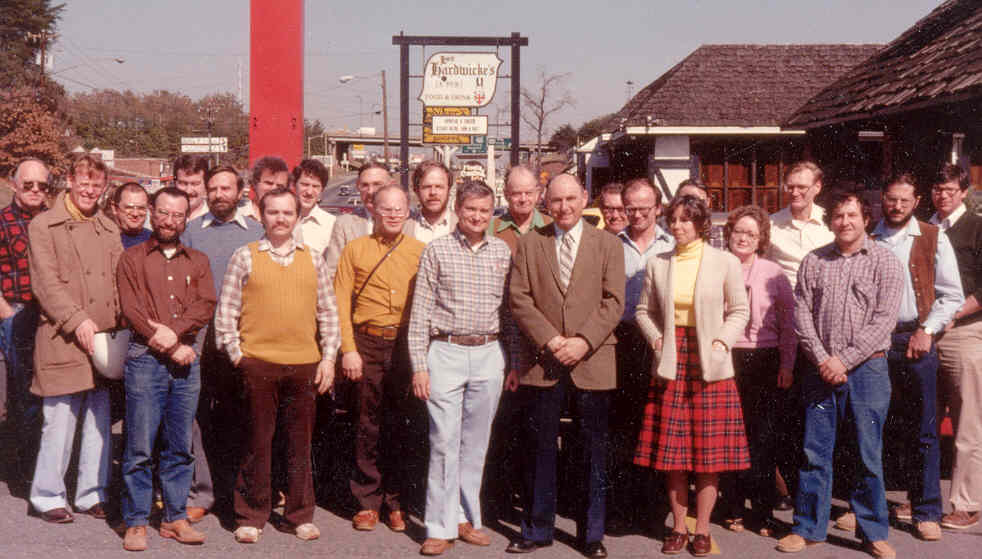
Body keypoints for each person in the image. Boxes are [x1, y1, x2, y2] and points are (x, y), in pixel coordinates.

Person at [777, 191, 904, 559]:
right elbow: (802, 314)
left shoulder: (885, 262)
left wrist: (843, 360)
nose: (845, 221)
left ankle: (873, 532)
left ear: (865, 218)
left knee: (868, 453)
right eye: (838, 215)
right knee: (814, 452)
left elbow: (884, 321)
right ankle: (808, 528)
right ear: (830, 221)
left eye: (852, 215)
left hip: (868, 370)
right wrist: (822, 359)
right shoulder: (814, 261)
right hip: (820, 370)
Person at [507, 173, 625, 558]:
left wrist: (583, 341)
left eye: (571, 199)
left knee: (592, 451)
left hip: (592, 360)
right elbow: (520, 298)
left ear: (584, 197)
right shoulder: (529, 244)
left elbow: (613, 302)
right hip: (544, 361)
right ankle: (537, 528)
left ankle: (591, 535)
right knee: (539, 449)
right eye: (556, 200)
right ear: (546, 202)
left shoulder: (607, 244)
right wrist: (553, 340)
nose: (564, 207)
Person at [215, 187, 340, 544]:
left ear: (297, 217)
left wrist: (329, 357)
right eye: (273, 213)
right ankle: (251, 515)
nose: (280, 219)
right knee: (258, 442)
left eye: (288, 213)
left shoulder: (313, 258)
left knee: (300, 444)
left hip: (303, 364)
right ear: (261, 215)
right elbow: (226, 313)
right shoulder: (246, 256)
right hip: (258, 364)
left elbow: (328, 313)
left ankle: (299, 514)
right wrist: (238, 355)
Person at [634, 194, 750, 557]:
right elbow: (643, 311)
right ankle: (678, 528)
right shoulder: (658, 263)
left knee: (708, 453)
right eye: (674, 219)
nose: (678, 226)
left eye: (686, 220)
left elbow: (739, 310)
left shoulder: (724, 262)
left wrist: (721, 341)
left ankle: (702, 530)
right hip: (672, 359)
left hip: (710, 362)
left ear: (701, 224)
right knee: (674, 453)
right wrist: (655, 340)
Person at [407, 180, 519, 556]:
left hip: (488, 353)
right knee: (443, 442)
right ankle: (438, 525)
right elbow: (420, 311)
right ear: (458, 209)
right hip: (446, 352)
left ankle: (466, 518)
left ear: (493, 212)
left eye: (484, 211)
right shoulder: (436, 250)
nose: (477, 216)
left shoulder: (502, 252)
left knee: (475, 445)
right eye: (471, 209)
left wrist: (513, 361)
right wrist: (419, 366)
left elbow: (510, 313)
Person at [117, 187, 217, 551]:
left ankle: (175, 517)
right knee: (140, 445)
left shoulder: (199, 260)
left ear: (185, 218)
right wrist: (172, 343)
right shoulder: (131, 259)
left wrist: (175, 338)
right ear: (151, 215)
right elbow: (132, 309)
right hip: (145, 359)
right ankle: (137, 521)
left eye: (177, 215)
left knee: (181, 444)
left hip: (186, 362)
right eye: (163, 213)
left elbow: (204, 305)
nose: (170, 221)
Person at [27, 154, 123, 523]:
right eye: (83, 182)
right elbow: (45, 283)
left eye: (97, 185)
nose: (89, 190)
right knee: (60, 420)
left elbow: (117, 282)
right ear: (69, 180)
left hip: (103, 341)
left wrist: (118, 328)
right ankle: (47, 495)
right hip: (62, 336)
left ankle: (91, 493)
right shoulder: (44, 225)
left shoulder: (108, 228)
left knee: (99, 421)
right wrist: (76, 319)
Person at [870, 173, 962, 541]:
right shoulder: (868, 236)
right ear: (882, 198)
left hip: (916, 338)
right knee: (872, 426)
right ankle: (871, 506)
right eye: (891, 199)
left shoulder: (932, 236)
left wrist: (927, 330)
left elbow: (952, 294)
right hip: (874, 341)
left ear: (917, 201)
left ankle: (926, 510)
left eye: (904, 201)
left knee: (923, 427)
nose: (897, 207)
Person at [334, 186, 425, 533]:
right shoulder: (355, 250)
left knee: (403, 423)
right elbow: (341, 301)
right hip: (366, 343)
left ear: (408, 211)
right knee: (366, 423)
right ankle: (367, 502)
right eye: (386, 208)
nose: (393, 214)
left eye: (400, 208)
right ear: (372, 209)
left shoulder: (420, 251)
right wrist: (349, 349)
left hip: (404, 344)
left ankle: (397, 501)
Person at [180, 165, 264, 522]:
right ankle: (202, 491)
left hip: (242, 342)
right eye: (212, 188)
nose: (218, 195)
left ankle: (237, 492)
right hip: (199, 340)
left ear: (241, 191)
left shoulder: (258, 233)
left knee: (241, 418)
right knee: (196, 418)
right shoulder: (191, 232)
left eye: (225, 188)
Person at [717, 205, 795, 537]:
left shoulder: (774, 273)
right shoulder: (717, 267)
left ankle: (762, 512)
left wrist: (787, 365)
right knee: (728, 437)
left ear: (761, 238)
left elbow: (790, 325)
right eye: (739, 232)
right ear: (729, 234)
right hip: (726, 357)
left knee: (762, 439)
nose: (744, 238)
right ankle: (733, 507)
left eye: (752, 233)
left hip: (764, 360)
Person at [766, 161, 835, 512]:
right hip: (783, 330)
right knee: (786, 413)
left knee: (819, 413)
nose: (795, 193)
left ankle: (821, 493)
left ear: (817, 187)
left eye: (802, 187)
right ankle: (784, 487)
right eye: (790, 186)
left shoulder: (831, 225)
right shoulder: (771, 225)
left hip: (823, 331)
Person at [609, 177, 674, 531]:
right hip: (621, 340)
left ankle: (652, 511)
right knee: (622, 428)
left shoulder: (673, 243)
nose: (635, 215)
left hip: (661, 341)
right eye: (629, 208)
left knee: (659, 425)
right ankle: (620, 509)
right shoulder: (609, 245)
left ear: (658, 208)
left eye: (643, 208)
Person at [929, 163, 982, 530]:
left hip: (964, 332)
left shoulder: (977, 227)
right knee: (924, 420)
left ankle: (966, 502)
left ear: (964, 192)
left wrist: (953, 315)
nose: (943, 196)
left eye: (950, 190)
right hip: (925, 333)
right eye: (937, 189)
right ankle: (924, 500)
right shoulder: (925, 229)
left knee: (967, 422)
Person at [0, 158, 50, 488]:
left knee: (41, 391)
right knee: (18, 391)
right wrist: (5, 310)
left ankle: (33, 463)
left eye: (41, 185)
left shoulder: (51, 222)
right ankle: (17, 466)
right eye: (28, 184)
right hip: (14, 311)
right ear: (14, 184)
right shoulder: (2, 221)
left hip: (46, 316)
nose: (34, 190)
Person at [324, 162, 392, 278]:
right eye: (365, 185)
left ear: (391, 186)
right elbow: (333, 273)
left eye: (377, 184)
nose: (370, 191)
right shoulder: (344, 225)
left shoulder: (408, 220)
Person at [488, 164, 552, 252]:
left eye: (528, 193)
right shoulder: (491, 229)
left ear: (537, 194)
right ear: (506, 195)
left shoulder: (552, 226)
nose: (523, 199)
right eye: (517, 193)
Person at [406, 160, 457, 243]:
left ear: (449, 190)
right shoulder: (403, 228)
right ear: (416, 190)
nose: (433, 192)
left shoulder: (463, 228)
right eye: (426, 187)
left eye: (439, 187)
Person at [292, 159, 336, 255]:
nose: (309, 192)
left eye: (315, 186)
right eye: (305, 184)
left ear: (322, 190)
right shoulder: (280, 218)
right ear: (294, 185)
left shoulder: (332, 224)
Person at [243, 156, 289, 221]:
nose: (273, 189)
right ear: (255, 184)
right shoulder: (238, 214)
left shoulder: (289, 220)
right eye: (269, 183)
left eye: (280, 186)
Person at [112, 182, 152, 248]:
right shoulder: (104, 239)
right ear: (115, 208)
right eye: (129, 207)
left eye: (141, 208)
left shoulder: (155, 241)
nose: (135, 214)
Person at [172, 155, 211, 223]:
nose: (188, 191)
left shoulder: (216, 219)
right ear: (174, 183)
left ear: (206, 185)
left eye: (195, 184)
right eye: (183, 183)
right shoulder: (161, 219)